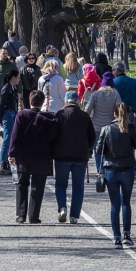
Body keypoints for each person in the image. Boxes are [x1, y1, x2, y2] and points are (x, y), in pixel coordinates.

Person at [8, 91, 59, 224]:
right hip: (41, 157)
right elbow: (53, 139)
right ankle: (34, 216)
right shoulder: (49, 119)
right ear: (42, 103)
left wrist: (11, 153)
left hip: (23, 156)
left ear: (29, 101)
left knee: (21, 185)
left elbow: (15, 136)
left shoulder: (22, 116)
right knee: (38, 187)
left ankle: (21, 215)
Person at [96, 103, 136, 249]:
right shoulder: (130, 128)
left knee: (115, 204)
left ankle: (116, 237)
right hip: (128, 169)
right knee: (126, 202)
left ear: (114, 114)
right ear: (128, 114)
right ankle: (127, 234)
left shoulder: (107, 128)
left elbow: (98, 150)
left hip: (111, 170)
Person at [53, 91, 96, 224]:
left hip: (62, 156)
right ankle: (74, 216)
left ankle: (62, 207)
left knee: (60, 185)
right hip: (80, 157)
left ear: (66, 101)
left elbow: (53, 134)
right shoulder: (84, 116)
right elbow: (92, 137)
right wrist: (87, 149)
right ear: (77, 101)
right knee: (78, 186)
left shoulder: (60, 115)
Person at [84, 71, 122, 173]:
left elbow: (87, 110)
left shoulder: (96, 94)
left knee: (98, 149)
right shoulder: (115, 93)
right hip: (110, 127)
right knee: (109, 149)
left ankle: (100, 170)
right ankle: (108, 168)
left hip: (96, 126)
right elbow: (120, 109)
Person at [0, 69, 21, 176]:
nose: (19, 79)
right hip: (8, 114)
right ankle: (3, 163)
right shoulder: (6, 89)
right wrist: (0, 119)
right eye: (18, 77)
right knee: (7, 139)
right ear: (13, 77)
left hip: (13, 114)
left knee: (11, 138)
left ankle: (8, 161)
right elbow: (1, 104)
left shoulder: (12, 88)